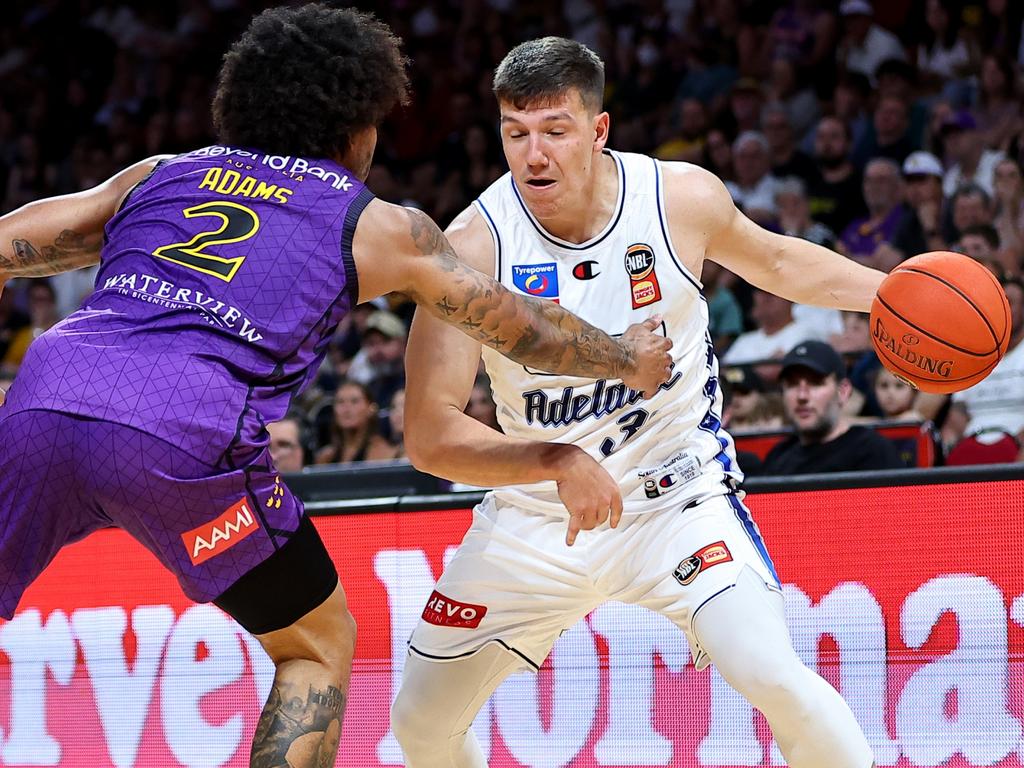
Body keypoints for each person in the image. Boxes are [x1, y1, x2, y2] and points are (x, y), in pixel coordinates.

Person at [0, 9, 673, 767]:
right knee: (315, 647)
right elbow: (529, 331)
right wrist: (625, 356)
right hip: (182, 424)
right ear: (357, 128)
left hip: (44, 395)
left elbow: (9, 244)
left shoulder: (160, 174)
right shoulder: (377, 224)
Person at [392, 36, 885, 768]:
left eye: (555, 132)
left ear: (599, 130)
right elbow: (429, 436)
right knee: (419, 726)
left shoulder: (678, 199)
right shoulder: (471, 248)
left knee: (773, 675)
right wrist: (553, 459)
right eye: (515, 134)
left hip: (675, 499)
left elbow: (780, 263)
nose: (534, 157)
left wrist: (894, 296)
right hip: (537, 517)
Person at [761, 341, 906, 474]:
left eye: (815, 383)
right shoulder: (777, 458)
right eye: (792, 385)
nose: (802, 396)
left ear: (843, 391)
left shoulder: (872, 452)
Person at [314, 379, 397, 464]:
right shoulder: (325, 457)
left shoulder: (382, 453)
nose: (346, 409)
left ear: (370, 409)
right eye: (340, 402)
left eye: (354, 401)